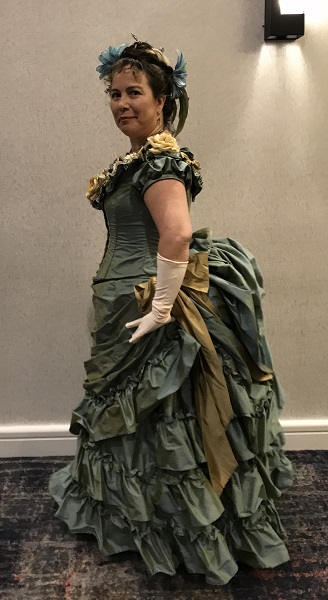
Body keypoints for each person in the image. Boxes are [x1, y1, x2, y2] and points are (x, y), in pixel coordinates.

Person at [49, 39, 293, 586]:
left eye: (134, 92)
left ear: (163, 99)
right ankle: (147, 520)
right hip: (125, 299)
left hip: (146, 301)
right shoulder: (140, 158)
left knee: (161, 417)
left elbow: (177, 233)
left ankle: (183, 531)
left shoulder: (161, 159)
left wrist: (162, 306)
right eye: (114, 93)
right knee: (142, 421)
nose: (121, 103)